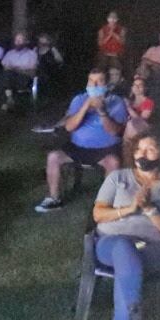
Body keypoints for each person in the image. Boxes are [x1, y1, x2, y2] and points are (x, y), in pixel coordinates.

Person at [90, 136, 160, 320]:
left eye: (151, 149)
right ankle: (133, 315)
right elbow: (98, 214)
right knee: (124, 247)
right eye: (139, 149)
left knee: (130, 255)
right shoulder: (117, 178)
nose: (143, 154)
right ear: (133, 154)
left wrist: (150, 208)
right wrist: (130, 208)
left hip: (151, 248)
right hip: (111, 244)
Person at [35, 69, 128, 213]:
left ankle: (106, 203)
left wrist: (102, 112)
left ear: (107, 84)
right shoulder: (79, 100)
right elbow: (70, 126)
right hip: (78, 147)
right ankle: (54, 199)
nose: (95, 85)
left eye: (99, 81)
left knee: (113, 162)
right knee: (53, 156)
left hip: (105, 149)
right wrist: (86, 106)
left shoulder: (116, 102)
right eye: (91, 81)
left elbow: (115, 131)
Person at [0, 33, 38, 110]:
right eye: (16, 40)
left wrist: (17, 69)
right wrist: (13, 69)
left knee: (7, 78)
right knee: (6, 74)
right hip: (10, 77)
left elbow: (32, 71)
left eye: (20, 39)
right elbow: (5, 67)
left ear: (26, 41)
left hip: (24, 77)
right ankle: (9, 100)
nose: (18, 41)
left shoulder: (32, 54)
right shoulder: (9, 53)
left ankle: (6, 102)